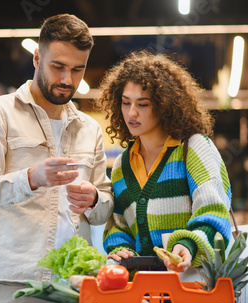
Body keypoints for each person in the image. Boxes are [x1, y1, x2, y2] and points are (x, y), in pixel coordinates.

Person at [0, 14, 114, 303]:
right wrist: (32, 178)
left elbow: (104, 207)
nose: (67, 79)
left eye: (77, 69)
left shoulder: (90, 129)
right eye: (58, 66)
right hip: (18, 282)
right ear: (37, 57)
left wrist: (94, 199)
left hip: (77, 283)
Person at [97, 50, 232, 273]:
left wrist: (189, 244)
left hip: (193, 288)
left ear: (164, 105)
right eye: (125, 102)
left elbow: (214, 211)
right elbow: (119, 226)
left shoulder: (193, 148)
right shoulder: (122, 165)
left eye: (143, 104)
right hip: (144, 295)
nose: (131, 113)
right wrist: (120, 247)